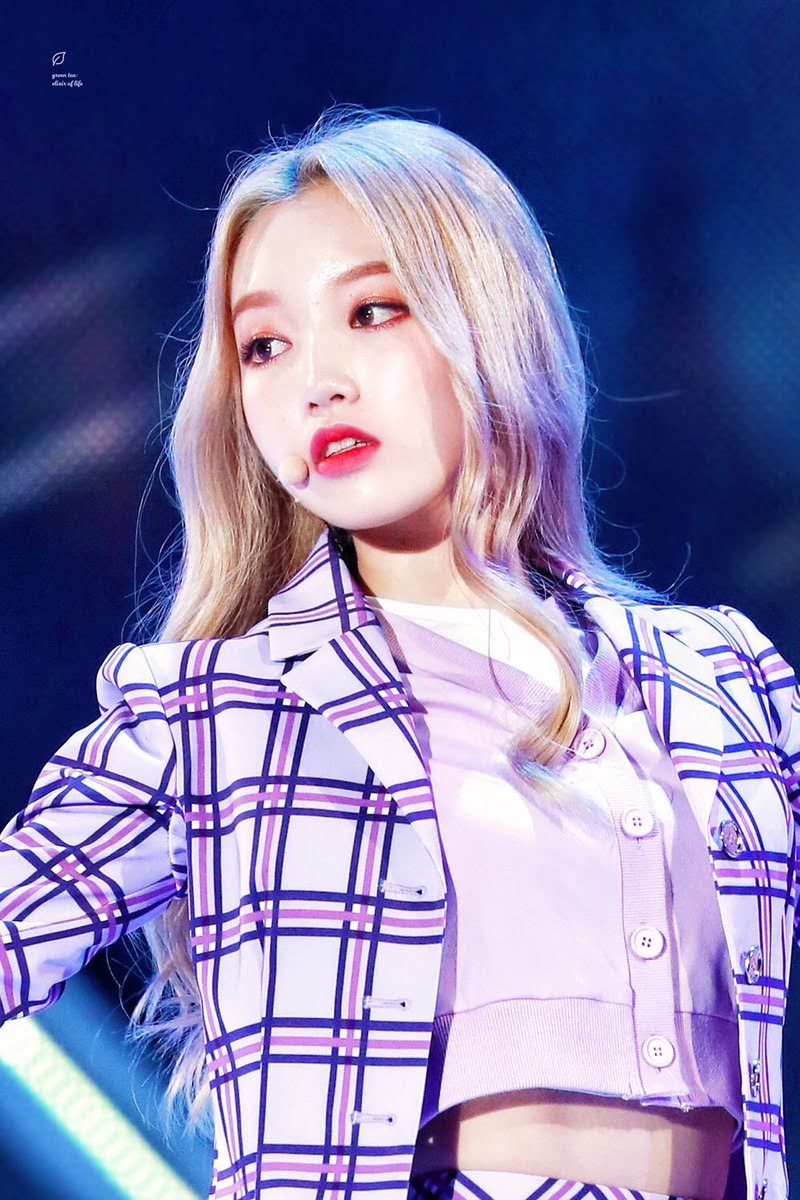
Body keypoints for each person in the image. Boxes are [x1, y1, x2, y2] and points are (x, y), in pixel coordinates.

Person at [1, 105, 797, 1200]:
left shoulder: (722, 676)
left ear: (489, 317)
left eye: (371, 311)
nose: (315, 382)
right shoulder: (214, 712)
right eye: (264, 346)